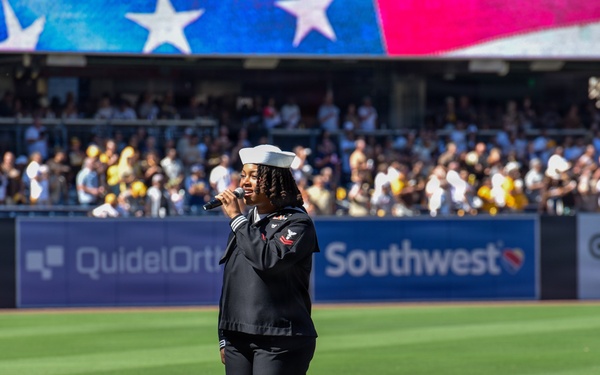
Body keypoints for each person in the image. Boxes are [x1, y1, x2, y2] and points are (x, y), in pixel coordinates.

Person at [214, 144, 319, 375]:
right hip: (237, 336)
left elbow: (268, 261)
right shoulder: (245, 223)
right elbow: (231, 280)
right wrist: (224, 336)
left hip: (280, 338)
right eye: (243, 175)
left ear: (274, 180)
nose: (244, 182)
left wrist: (236, 218)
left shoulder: (297, 223)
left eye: (254, 176)